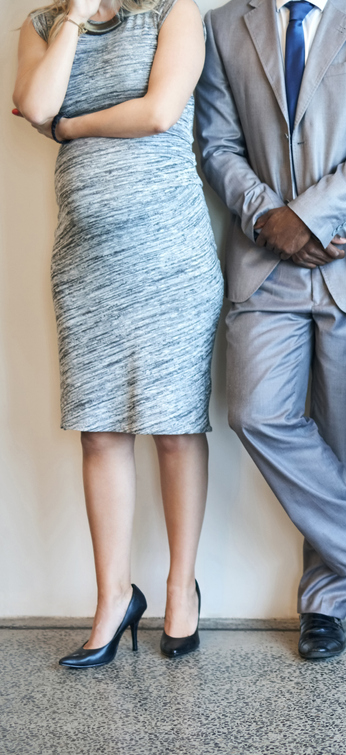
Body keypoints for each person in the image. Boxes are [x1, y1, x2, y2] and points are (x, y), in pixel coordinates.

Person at [195, 0, 346, 660]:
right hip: (263, 262)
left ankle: (326, 600)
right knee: (254, 412)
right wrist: (272, 219)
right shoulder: (221, 25)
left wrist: (311, 218)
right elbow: (217, 144)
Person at [14, 0, 223, 667]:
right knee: (100, 430)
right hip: (85, 263)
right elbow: (35, 103)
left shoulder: (174, 11)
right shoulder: (41, 27)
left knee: (175, 428)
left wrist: (74, 124)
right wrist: (74, 14)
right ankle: (112, 599)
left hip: (173, 263)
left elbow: (160, 110)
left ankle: (179, 586)